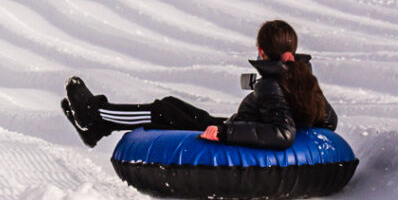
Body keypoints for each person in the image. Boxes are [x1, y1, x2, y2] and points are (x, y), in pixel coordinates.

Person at [62, 19, 335, 150]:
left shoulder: (271, 85)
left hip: (228, 135)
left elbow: (282, 134)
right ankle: (98, 126)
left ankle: (94, 115)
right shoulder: (302, 78)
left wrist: (226, 134)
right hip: (234, 127)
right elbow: (328, 120)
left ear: (261, 51)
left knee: (164, 111)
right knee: (170, 106)